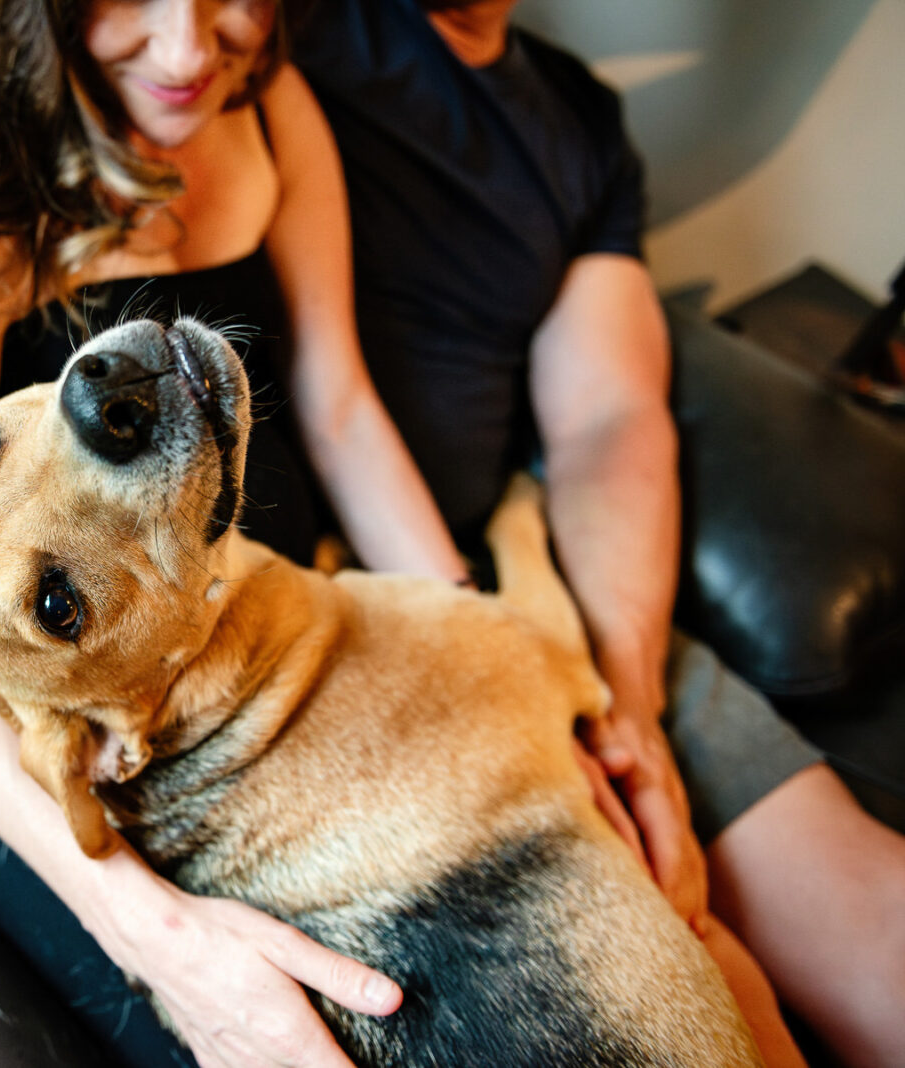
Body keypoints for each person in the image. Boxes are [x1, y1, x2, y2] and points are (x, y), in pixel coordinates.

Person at [0, 2, 872, 1066]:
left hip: (250, 621)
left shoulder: (277, 104)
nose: (190, 44)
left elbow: (338, 406)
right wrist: (153, 937)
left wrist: (464, 633)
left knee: (717, 968)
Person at [286, 2, 905, 1066]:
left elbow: (608, 421)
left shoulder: (578, 122)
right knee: (694, 987)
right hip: (345, 615)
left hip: (536, 583)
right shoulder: (266, 34)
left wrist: (628, 706)